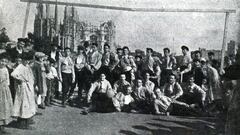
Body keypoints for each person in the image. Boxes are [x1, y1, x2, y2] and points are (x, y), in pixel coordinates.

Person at [11, 52, 36, 129]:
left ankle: (26, 121)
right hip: (23, 87)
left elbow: (30, 76)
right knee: (23, 103)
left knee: (28, 103)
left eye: (28, 60)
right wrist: (20, 79)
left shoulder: (27, 66)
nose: (27, 62)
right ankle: (23, 123)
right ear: (22, 60)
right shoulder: (20, 66)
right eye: (25, 60)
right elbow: (13, 74)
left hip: (29, 87)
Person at [0, 53, 13, 134]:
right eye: (1, 61)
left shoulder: (5, 69)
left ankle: (2, 125)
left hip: (4, 90)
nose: (3, 63)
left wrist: (6, 89)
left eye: (5, 61)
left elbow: (8, 80)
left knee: (4, 106)